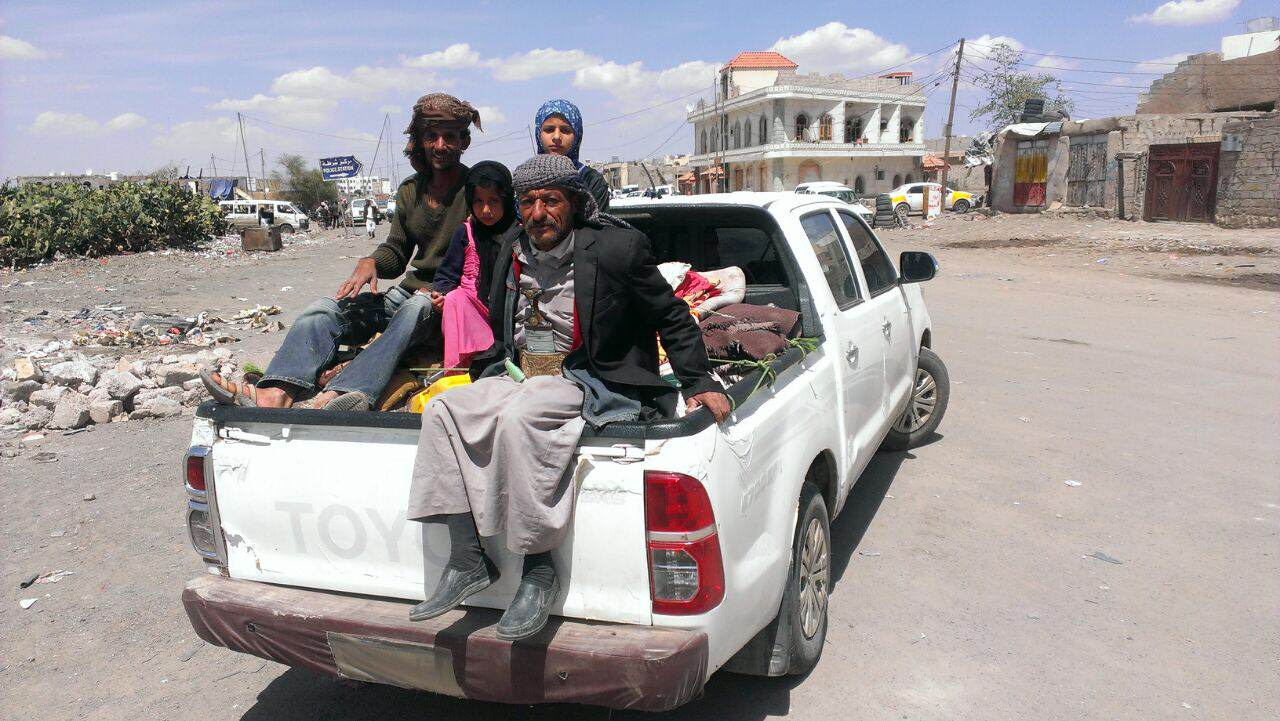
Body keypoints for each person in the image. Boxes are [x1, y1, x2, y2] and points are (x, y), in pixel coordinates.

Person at [405, 154, 731, 640]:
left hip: (587, 375)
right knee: (443, 410)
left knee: (522, 415)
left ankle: (538, 570)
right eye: (529, 202)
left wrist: (699, 382)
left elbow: (673, 316)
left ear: (574, 203)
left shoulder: (618, 248)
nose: (538, 212)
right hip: (520, 371)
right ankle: (467, 557)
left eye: (550, 200)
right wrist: (487, 369)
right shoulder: (515, 246)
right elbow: (500, 320)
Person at [200, 93, 482, 409]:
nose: (440, 145)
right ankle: (276, 391)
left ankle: (344, 392)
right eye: (432, 136)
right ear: (421, 139)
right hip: (408, 297)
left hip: (446, 304)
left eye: (450, 137)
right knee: (325, 309)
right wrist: (371, 261)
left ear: (464, 141)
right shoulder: (409, 191)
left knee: (415, 308)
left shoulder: (478, 190)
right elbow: (399, 250)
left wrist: (452, 292)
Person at [429, 161, 514, 370]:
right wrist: (441, 294)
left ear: (506, 199)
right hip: (472, 309)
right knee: (455, 298)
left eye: (493, 201)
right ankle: (460, 367)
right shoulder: (465, 233)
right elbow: (446, 274)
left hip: (506, 311)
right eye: (479, 201)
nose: (486, 210)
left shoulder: (517, 233)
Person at [533, 99, 611, 212]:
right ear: (538, 134)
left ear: (577, 135)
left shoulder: (590, 180)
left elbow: (600, 226)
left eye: (565, 130)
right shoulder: (527, 179)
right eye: (549, 130)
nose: (556, 137)